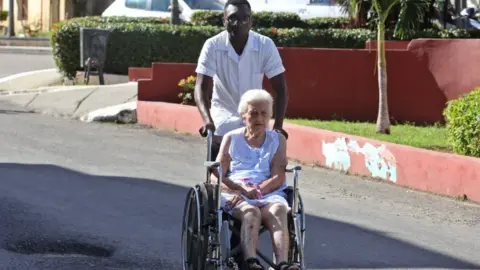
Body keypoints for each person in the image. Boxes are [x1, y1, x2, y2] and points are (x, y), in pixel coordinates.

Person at [210, 89, 299, 270]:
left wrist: (257, 191)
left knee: (279, 209)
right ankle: (251, 262)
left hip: (267, 192)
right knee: (251, 213)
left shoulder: (278, 139)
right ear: (244, 115)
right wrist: (238, 189)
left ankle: (282, 264)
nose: (259, 118)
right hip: (236, 193)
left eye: (264, 113)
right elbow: (216, 174)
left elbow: (278, 175)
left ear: (270, 116)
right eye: (253, 113)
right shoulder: (231, 138)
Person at [194, 0, 289, 161]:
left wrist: (278, 126)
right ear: (224, 20)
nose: (238, 23)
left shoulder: (265, 45)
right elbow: (200, 87)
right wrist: (207, 121)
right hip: (222, 119)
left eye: (245, 18)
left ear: (251, 22)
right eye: (232, 18)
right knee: (218, 176)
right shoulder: (212, 46)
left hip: (254, 118)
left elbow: (280, 89)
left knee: (256, 174)